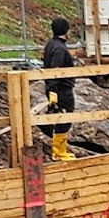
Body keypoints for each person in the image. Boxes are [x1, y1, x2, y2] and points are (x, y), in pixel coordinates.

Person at [41, 17, 79, 161]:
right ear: (66, 30)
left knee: (61, 118)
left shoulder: (51, 44)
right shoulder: (59, 49)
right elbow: (55, 71)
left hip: (56, 89)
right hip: (61, 90)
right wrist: (53, 92)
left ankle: (59, 150)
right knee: (65, 118)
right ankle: (58, 151)